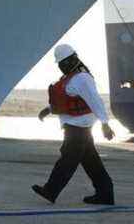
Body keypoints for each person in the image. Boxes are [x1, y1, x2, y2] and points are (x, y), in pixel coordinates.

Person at [32, 43, 115, 205]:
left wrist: (105, 124)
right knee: (91, 162)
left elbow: (95, 101)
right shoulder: (70, 78)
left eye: (63, 63)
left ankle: (51, 190)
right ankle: (105, 194)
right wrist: (48, 110)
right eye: (60, 64)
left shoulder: (82, 79)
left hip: (79, 128)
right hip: (76, 127)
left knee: (68, 159)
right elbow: (65, 100)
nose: (61, 66)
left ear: (72, 60)